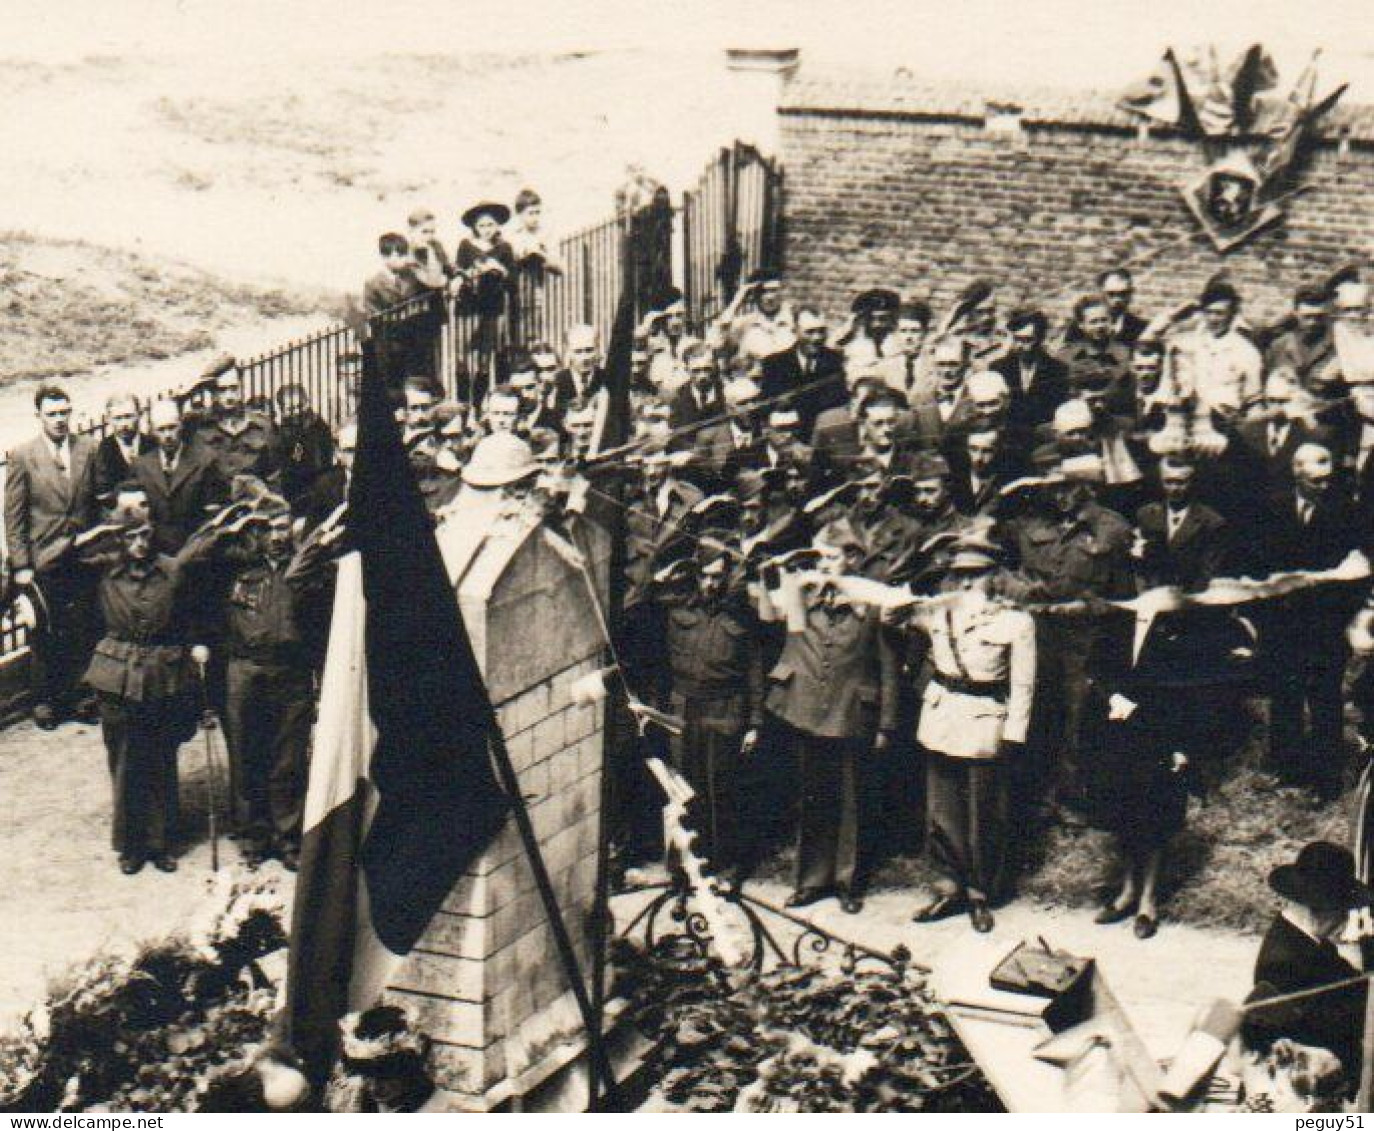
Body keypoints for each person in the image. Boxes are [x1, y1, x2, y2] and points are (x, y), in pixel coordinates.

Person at [80, 487, 241, 874]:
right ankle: (131, 845)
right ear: (119, 538)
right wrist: (98, 532)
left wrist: (195, 645)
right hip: (117, 675)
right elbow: (59, 561)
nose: (139, 544)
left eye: (144, 535)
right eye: (130, 536)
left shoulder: (170, 570)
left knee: (160, 757)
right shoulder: (104, 571)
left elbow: (192, 605)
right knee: (124, 759)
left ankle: (161, 841)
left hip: (160, 673)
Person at [762, 520, 899, 913]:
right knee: (813, 797)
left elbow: (888, 666)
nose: (823, 565)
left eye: (832, 557)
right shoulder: (804, 598)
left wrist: (887, 723)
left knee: (852, 802)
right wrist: (778, 575)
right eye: (819, 556)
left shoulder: (873, 604)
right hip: (809, 711)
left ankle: (847, 882)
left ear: (852, 559)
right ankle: (811, 880)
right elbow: (769, 613)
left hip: (852, 712)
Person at [906, 535, 1036, 933]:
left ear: (995, 577)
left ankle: (981, 892)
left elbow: (1024, 684)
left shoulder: (1016, 621)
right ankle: (949, 886)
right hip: (942, 718)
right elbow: (893, 615)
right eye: (958, 575)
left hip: (984, 720)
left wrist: (1015, 731)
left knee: (984, 814)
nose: (965, 585)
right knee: (942, 812)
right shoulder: (937, 614)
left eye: (975, 576)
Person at [219, 495, 329, 869]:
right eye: (269, 528)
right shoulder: (232, 566)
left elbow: (320, 622)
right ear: (256, 531)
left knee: (289, 759)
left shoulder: (307, 567)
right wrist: (230, 528)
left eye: (284, 527)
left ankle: (288, 837)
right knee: (247, 754)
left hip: (291, 673)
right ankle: (252, 836)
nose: (279, 536)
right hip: (246, 672)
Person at [657, 535, 763, 887]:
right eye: (704, 576)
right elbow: (660, 665)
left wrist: (755, 723)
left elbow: (754, 673)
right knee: (682, 788)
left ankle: (726, 865)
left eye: (717, 576)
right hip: (683, 709)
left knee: (723, 790)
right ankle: (683, 866)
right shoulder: (676, 610)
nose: (710, 583)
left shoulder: (743, 618)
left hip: (725, 709)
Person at [1258, 443, 1362, 799]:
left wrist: (1338, 619)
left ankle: (1325, 781)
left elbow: (1355, 575)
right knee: (1284, 696)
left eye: (1328, 479)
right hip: (1282, 625)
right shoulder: (1274, 508)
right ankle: (1287, 769)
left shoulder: (1345, 513)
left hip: (1324, 627)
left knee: (1324, 704)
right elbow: (1262, 563)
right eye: (1316, 480)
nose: (1324, 485)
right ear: (1297, 475)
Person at [4, 385, 100, 729]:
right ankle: (45, 700)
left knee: (83, 625)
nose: (60, 420)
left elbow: (97, 503)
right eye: (52, 414)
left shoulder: (88, 448)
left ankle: (83, 695)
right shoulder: (23, 456)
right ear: (39, 417)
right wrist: (21, 565)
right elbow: (13, 517)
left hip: (82, 555)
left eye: (64, 412)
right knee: (46, 630)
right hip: (43, 559)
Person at [1244, 842, 1370, 1076]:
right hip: (1317, 1079)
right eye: (1343, 910)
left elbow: (1355, 985)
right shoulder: (1284, 961)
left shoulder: (1302, 939)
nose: (1344, 919)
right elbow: (1342, 1024)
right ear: (1321, 908)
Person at [133, 400, 229, 554]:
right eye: (161, 430)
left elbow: (214, 515)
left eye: (172, 427)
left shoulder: (205, 461)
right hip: (155, 553)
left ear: (181, 425)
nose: (168, 435)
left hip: (196, 550)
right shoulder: (142, 466)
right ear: (152, 431)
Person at [758, 307, 847, 433]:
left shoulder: (835, 361)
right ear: (795, 331)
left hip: (822, 435)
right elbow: (768, 405)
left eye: (822, 331)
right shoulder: (774, 363)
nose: (817, 338)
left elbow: (834, 401)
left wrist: (797, 411)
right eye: (810, 332)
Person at [193, 365, 283, 487]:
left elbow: (274, 474)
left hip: (255, 501)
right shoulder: (198, 428)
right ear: (213, 393)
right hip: (215, 502)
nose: (229, 396)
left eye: (234, 388)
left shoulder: (262, 425)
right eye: (222, 390)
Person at [363, 232, 428, 393]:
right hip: (389, 344)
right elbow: (373, 315)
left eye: (403, 254)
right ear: (385, 257)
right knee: (393, 386)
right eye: (396, 255)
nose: (401, 259)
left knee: (416, 384)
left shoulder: (412, 278)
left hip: (412, 341)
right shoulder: (373, 284)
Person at [993, 309, 1071, 430]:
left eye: (1027, 340)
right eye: (1017, 339)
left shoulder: (1057, 370)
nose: (1020, 346)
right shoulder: (999, 369)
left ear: (1040, 339)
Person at [276, 384, 335, 517]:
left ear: (307, 403)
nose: (296, 412)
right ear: (282, 409)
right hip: (296, 484)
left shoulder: (315, 427)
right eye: (290, 409)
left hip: (311, 483)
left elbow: (300, 456)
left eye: (299, 406)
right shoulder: (286, 428)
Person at [93, 395, 154, 499]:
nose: (124, 424)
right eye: (118, 418)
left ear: (139, 415)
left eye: (128, 416)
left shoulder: (153, 444)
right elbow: (102, 491)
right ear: (109, 419)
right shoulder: (102, 450)